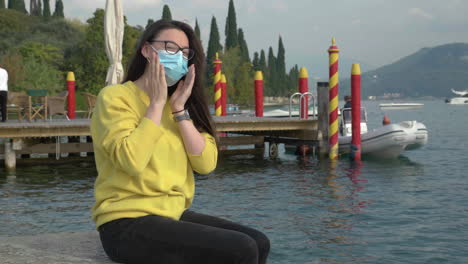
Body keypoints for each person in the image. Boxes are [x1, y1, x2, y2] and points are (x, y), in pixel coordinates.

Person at [91, 19, 270, 264]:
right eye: (170, 47)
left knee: (259, 241)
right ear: (146, 50)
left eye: (185, 53)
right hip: (125, 222)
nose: (178, 57)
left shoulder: (181, 104)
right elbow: (131, 160)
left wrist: (178, 110)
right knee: (241, 249)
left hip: (172, 214)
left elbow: (206, 164)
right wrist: (155, 103)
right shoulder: (116, 98)